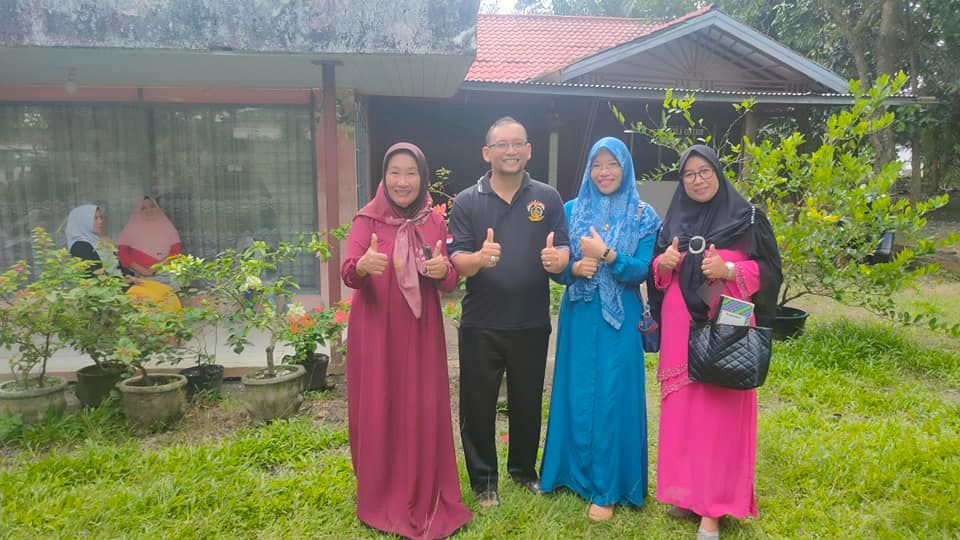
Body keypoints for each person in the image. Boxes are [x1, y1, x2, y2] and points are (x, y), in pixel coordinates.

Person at [647, 145, 782, 539]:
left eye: (705, 171)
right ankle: (686, 493)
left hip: (730, 317)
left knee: (719, 415)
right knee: (683, 411)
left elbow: (771, 270)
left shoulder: (747, 217)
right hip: (679, 322)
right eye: (689, 174)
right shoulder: (672, 221)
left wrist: (730, 269)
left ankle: (713, 508)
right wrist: (662, 265)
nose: (697, 180)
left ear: (719, 173)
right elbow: (658, 274)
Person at [341, 142, 471, 539]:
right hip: (376, 330)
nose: (403, 181)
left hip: (420, 330)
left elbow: (449, 279)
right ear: (384, 177)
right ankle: (380, 491)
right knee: (380, 403)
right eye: (395, 172)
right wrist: (363, 266)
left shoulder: (434, 222)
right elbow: (348, 272)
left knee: (421, 403)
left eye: (411, 173)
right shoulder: (366, 220)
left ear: (423, 177)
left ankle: (424, 485)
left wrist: (443, 270)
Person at [448, 117, 570, 508]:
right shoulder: (468, 200)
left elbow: (563, 248)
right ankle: (484, 481)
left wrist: (558, 260)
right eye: (502, 144)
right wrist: (479, 259)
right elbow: (457, 260)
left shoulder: (547, 197)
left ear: (529, 150)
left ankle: (522, 471)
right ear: (487, 153)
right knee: (477, 405)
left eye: (518, 143)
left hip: (531, 321)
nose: (511, 151)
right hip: (481, 323)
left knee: (528, 401)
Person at [538, 137, 661, 521]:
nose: (604, 172)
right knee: (574, 391)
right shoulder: (571, 210)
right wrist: (572, 268)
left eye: (612, 164)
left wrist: (607, 255)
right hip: (579, 313)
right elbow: (559, 268)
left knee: (612, 396)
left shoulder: (643, 215)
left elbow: (643, 270)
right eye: (597, 165)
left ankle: (607, 488)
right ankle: (567, 474)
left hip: (619, 318)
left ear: (625, 168)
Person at [65, 204, 181, 311]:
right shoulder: (80, 246)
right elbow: (95, 276)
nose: (100, 221)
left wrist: (130, 277)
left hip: (122, 284)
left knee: (166, 292)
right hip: (111, 292)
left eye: (101, 217)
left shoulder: (99, 242)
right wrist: (123, 281)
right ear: (82, 222)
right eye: (95, 218)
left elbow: (118, 266)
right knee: (155, 300)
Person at [118, 196, 182, 279]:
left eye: (152, 206)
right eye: (144, 208)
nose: (149, 210)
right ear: (138, 211)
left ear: (157, 208)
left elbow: (176, 251)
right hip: (138, 276)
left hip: (166, 274)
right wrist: (143, 271)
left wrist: (158, 267)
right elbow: (122, 253)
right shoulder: (130, 229)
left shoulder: (168, 227)